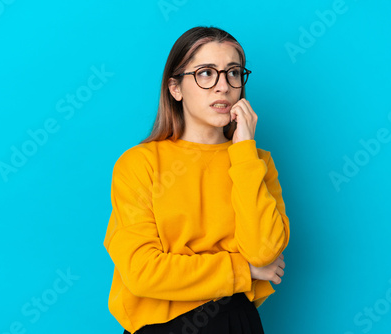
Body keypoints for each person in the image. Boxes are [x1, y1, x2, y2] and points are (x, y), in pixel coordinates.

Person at [103, 26, 290, 334]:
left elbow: (264, 252)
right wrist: (243, 270)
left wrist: (244, 151)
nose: (223, 87)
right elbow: (142, 272)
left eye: (233, 73)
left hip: (236, 323)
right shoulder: (140, 164)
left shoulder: (257, 162)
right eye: (205, 73)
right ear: (175, 88)